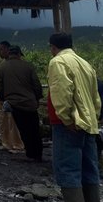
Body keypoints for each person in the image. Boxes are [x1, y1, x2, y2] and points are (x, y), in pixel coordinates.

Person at [47, 32, 101, 202]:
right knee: (90, 169)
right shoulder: (85, 64)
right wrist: (94, 118)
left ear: (53, 47)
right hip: (88, 123)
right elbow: (95, 98)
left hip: (68, 125)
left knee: (68, 170)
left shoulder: (58, 62)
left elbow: (62, 92)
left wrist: (67, 119)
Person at [0, 45, 43, 162]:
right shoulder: (28, 66)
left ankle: (30, 154)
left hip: (14, 103)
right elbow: (36, 85)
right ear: (19, 54)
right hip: (30, 103)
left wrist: (3, 98)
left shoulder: (1, 67)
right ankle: (37, 154)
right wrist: (37, 98)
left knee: (23, 130)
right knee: (34, 130)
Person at [0, 41, 24, 152]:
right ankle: (6, 143)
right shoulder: (2, 64)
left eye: (0, 49)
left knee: (13, 122)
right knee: (3, 121)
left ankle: (17, 144)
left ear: (7, 50)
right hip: (2, 97)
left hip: (11, 97)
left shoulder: (15, 64)